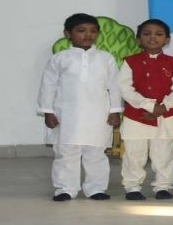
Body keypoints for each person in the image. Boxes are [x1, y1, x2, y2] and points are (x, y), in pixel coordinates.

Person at [37, 13, 122, 201]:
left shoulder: (105, 58)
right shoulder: (60, 59)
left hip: (98, 114)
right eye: (81, 30)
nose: (88, 35)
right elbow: (48, 85)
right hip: (67, 115)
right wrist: (48, 111)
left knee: (96, 153)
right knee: (66, 152)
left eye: (93, 31)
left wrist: (115, 111)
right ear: (68, 34)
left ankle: (96, 188)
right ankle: (65, 188)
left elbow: (115, 86)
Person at [118, 19, 173, 201]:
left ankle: (163, 186)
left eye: (159, 34)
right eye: (147, 34)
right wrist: (149, 106)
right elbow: (125, 89)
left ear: (167, 40)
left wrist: (163, 107)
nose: (152, 37)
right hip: (136, 115)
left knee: (163, 153)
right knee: (134, 154)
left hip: (165, 115)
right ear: (138, 39)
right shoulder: (130, 62)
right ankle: (132, 186)